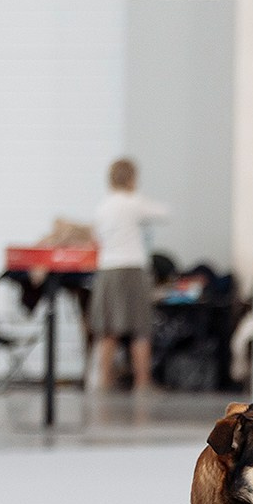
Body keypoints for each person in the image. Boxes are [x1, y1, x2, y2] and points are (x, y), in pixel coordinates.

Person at [91, 157, 169, 391]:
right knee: (140, 330)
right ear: (132, 178)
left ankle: (104, 381)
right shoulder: (134, 203)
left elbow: (97, 237)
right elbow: (165, 213)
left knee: (107, 331)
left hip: (107, 270)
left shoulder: (103, 207)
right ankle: (143, 383)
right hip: (133, 270)